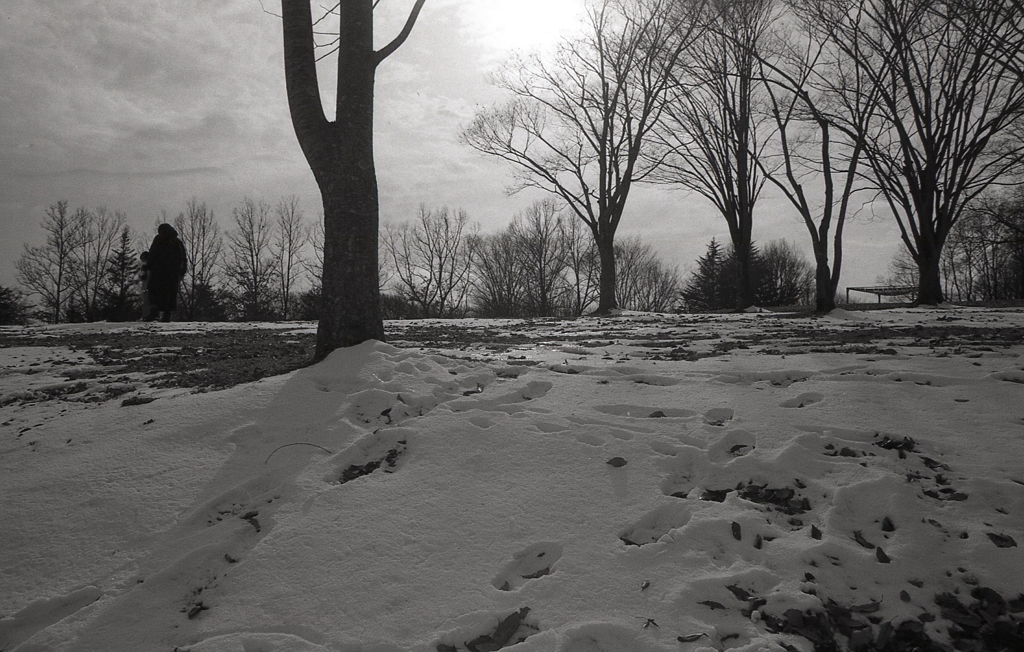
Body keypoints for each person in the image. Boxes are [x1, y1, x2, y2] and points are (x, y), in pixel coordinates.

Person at [146, 223, 187, 322]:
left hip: (158, 271)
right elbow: (183, 257)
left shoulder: (159, 239)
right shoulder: (177, 241)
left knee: (154, 290)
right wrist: (182, 270)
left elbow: (152, 253)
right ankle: (166, 315)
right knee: (170, 293)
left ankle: (154, 313)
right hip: (173, 273)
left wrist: (148, 266)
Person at [138, 251, 151, 320]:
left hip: (146, 286)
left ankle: (145, 315)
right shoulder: (152, 266)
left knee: (146, 301)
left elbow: (142, 277)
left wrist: (140, 276)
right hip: (149, 285)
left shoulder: (144, 267)